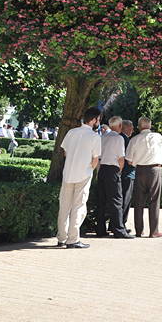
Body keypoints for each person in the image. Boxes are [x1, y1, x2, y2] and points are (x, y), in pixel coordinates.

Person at [56, 106, 102, 249]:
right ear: (94, 120)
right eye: (98, 119)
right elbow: (96, 159)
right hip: (83, 174)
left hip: (68, 173)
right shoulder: (95, 136)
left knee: (64, 207)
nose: (99, 122)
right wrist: (89, 169)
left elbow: (65, 152)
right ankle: (73, 239)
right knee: (79, 207)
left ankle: (61, 237)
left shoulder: (71, 132)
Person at [125, 116, 162, 238]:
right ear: (150, 125)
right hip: (155, 169)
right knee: (154, 201)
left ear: (139, 126)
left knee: (138, 201)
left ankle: (139, 230)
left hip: (140, 170)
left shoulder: (134, 139)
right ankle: (154, 231)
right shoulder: (158, 137)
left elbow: (129, 160)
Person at [96, 116, 134, 239]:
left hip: (102, 169)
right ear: (119, 126)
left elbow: (99, 156)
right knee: (116, 200)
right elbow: (121, 159)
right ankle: (118, 230)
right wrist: (119, 172)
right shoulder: (118, 138)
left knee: (101, 200)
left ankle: (100, 229)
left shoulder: (103, 137)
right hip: (113, 169)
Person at [120, 119, 135, 230]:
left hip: (123, 173)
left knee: (123, 199)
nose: (133, 130)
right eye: (131, 128)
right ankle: (121, 223)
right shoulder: (125, 140)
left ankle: (118, 223)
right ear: (125, 128)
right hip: (127, 173)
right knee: (125, 200)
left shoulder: (122, 138)